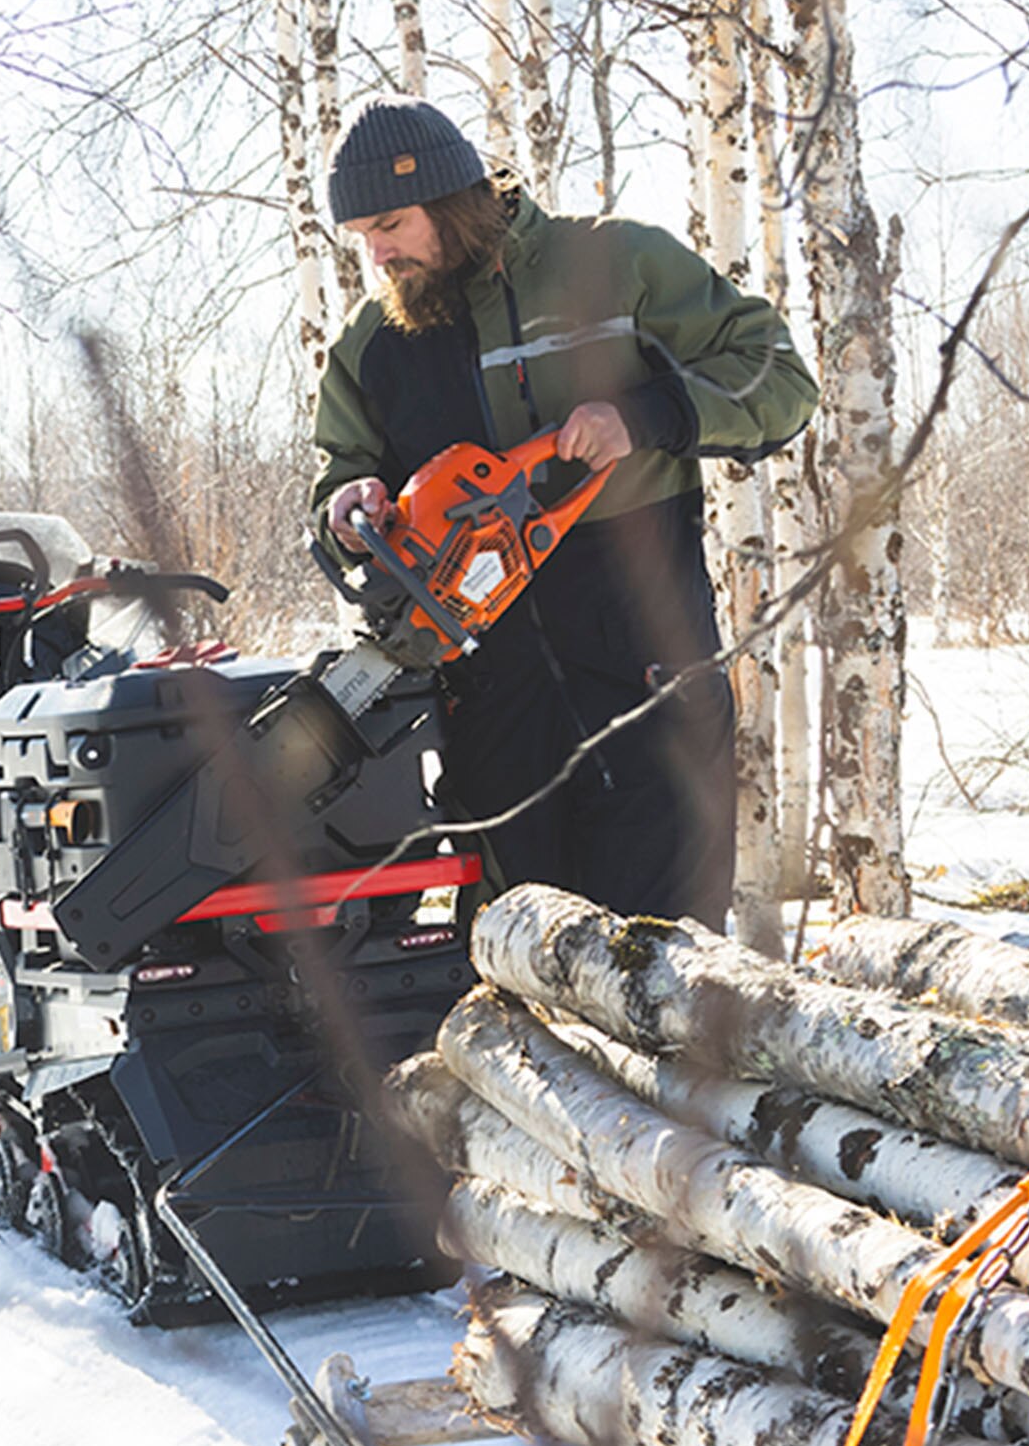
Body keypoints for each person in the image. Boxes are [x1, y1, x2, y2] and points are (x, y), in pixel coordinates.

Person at [309, 99, 816, 927]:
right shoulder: (375, 341)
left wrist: (646, 416)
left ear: (452, 198)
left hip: (651, 687)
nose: (379, 253)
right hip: (493, 714)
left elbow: (779, 378)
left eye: (392, 224)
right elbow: (342, 466)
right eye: (363, 236)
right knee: (521, 977)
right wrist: (345, 504)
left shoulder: (618, 263)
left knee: (663, 968)